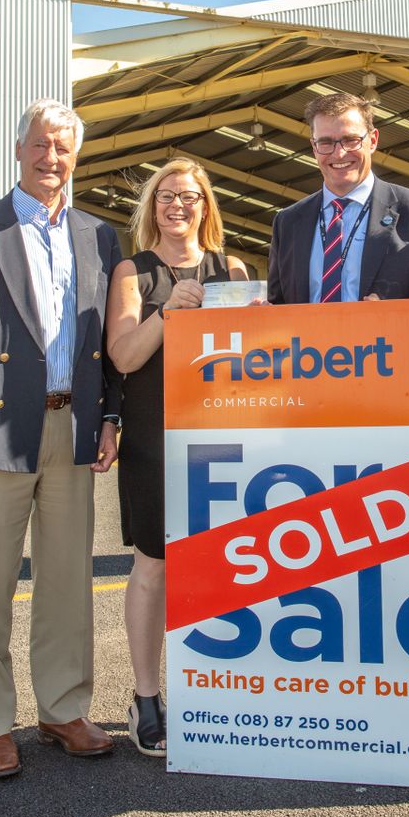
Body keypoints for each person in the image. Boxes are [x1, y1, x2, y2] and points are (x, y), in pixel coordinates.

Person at [0, 99, 121, 779]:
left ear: (76, 157)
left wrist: (111, 419)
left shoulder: (100, 236)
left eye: (63, 148)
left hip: (72, 425)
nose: (51, 158)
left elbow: (107, 343)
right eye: (40, 145)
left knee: (68, 578)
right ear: (18, 150)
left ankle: (64, 707)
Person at [106, 158, 248, 756]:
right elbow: (125, 357)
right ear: (152, 207)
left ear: (205, 204)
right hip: (155, 436)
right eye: (166, 196)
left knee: (227, 563)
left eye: (189, 196)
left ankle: (222, 685)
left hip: (223, 432)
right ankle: (146, 696)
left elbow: (251, 351)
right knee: (155, 565)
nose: (177, 205)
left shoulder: (232, 267)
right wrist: (171, 312)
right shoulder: (131, 272)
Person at [267, 91, 409, 303]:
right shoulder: (287, 222)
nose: (339, 154)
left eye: (351, 140)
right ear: (314, 148)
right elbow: (278, 305)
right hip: (307, 338)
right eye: (325, 143)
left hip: (385, 337)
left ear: (373, 140)